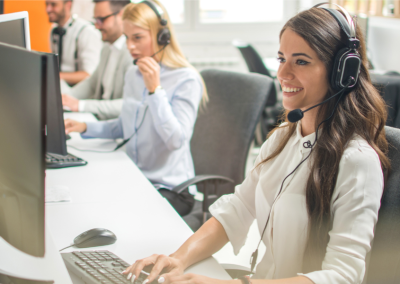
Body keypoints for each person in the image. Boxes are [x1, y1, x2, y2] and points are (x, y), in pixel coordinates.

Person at [121, 4, 390, 284]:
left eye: (301, 61)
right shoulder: (282, 139)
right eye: (281, 58)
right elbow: (237, 209)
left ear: (342, 72)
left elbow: (343, 275)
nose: (283, 73)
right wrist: (177, 258)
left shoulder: (356, 161)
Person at [64, 1, 207, 216]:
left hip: (170, 190)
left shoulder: (186, 80)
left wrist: (155, 91)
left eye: (137, 38)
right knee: (83, 197)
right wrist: (85, 126)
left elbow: (176, 140)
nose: (130, 46)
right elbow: (126, 126)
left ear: (162, 37)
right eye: (127, 37)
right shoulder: (133, 74)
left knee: (113, 215)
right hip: (136, 178)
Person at [62, 0, 132, 120]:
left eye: (101, 20)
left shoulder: (133, 54)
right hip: (100, 121)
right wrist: (65, 99)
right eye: (95, 20)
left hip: (116, 128)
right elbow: (92, 83)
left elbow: (127, 105)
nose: (96, 26)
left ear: (121, 15)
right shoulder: (107, 47)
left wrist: (81, 106)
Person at [46, 0, 102, 86]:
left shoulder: (86, 32)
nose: (48, 9)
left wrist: (56, 76)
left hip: (79, 92)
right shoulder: (53, 31)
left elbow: (89, 74)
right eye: (46, 4)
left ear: (68, 5)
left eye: (53, 5)